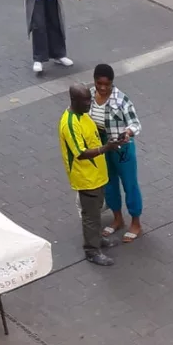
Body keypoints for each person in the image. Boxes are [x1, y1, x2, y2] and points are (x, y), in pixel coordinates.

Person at [60, 84, 125, 266]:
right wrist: (106, 148)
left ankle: (97, 240)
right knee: (91, 215)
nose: (90, 103)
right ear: (74, 101)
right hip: (86, 178)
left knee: (96, 211)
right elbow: (80, 152)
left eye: (89, 99)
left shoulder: (84, 115)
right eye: (85, 100)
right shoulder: (70, 123)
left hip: (97, 173)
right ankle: (92, 250)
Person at [89, 64, 145, 242]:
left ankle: (135, 222)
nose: (103, 88)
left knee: (130, 185)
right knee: (109, 184)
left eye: (108, 84)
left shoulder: (121, 100)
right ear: (94, 81)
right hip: (102, 147)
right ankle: (117, 219)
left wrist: (127, 133)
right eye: (99, 84)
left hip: (122, 148)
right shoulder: (89, 95)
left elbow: (135, 123)